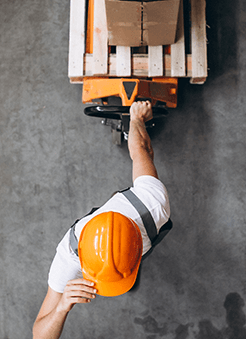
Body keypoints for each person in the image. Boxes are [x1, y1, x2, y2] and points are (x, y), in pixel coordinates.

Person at [33, 101, 172, 339]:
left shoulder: (153, 204)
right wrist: (61, 307)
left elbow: (141, 149)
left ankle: (127, 270)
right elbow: (39, 335)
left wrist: (136, 118)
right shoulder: (68, 259)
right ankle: (125, 271)